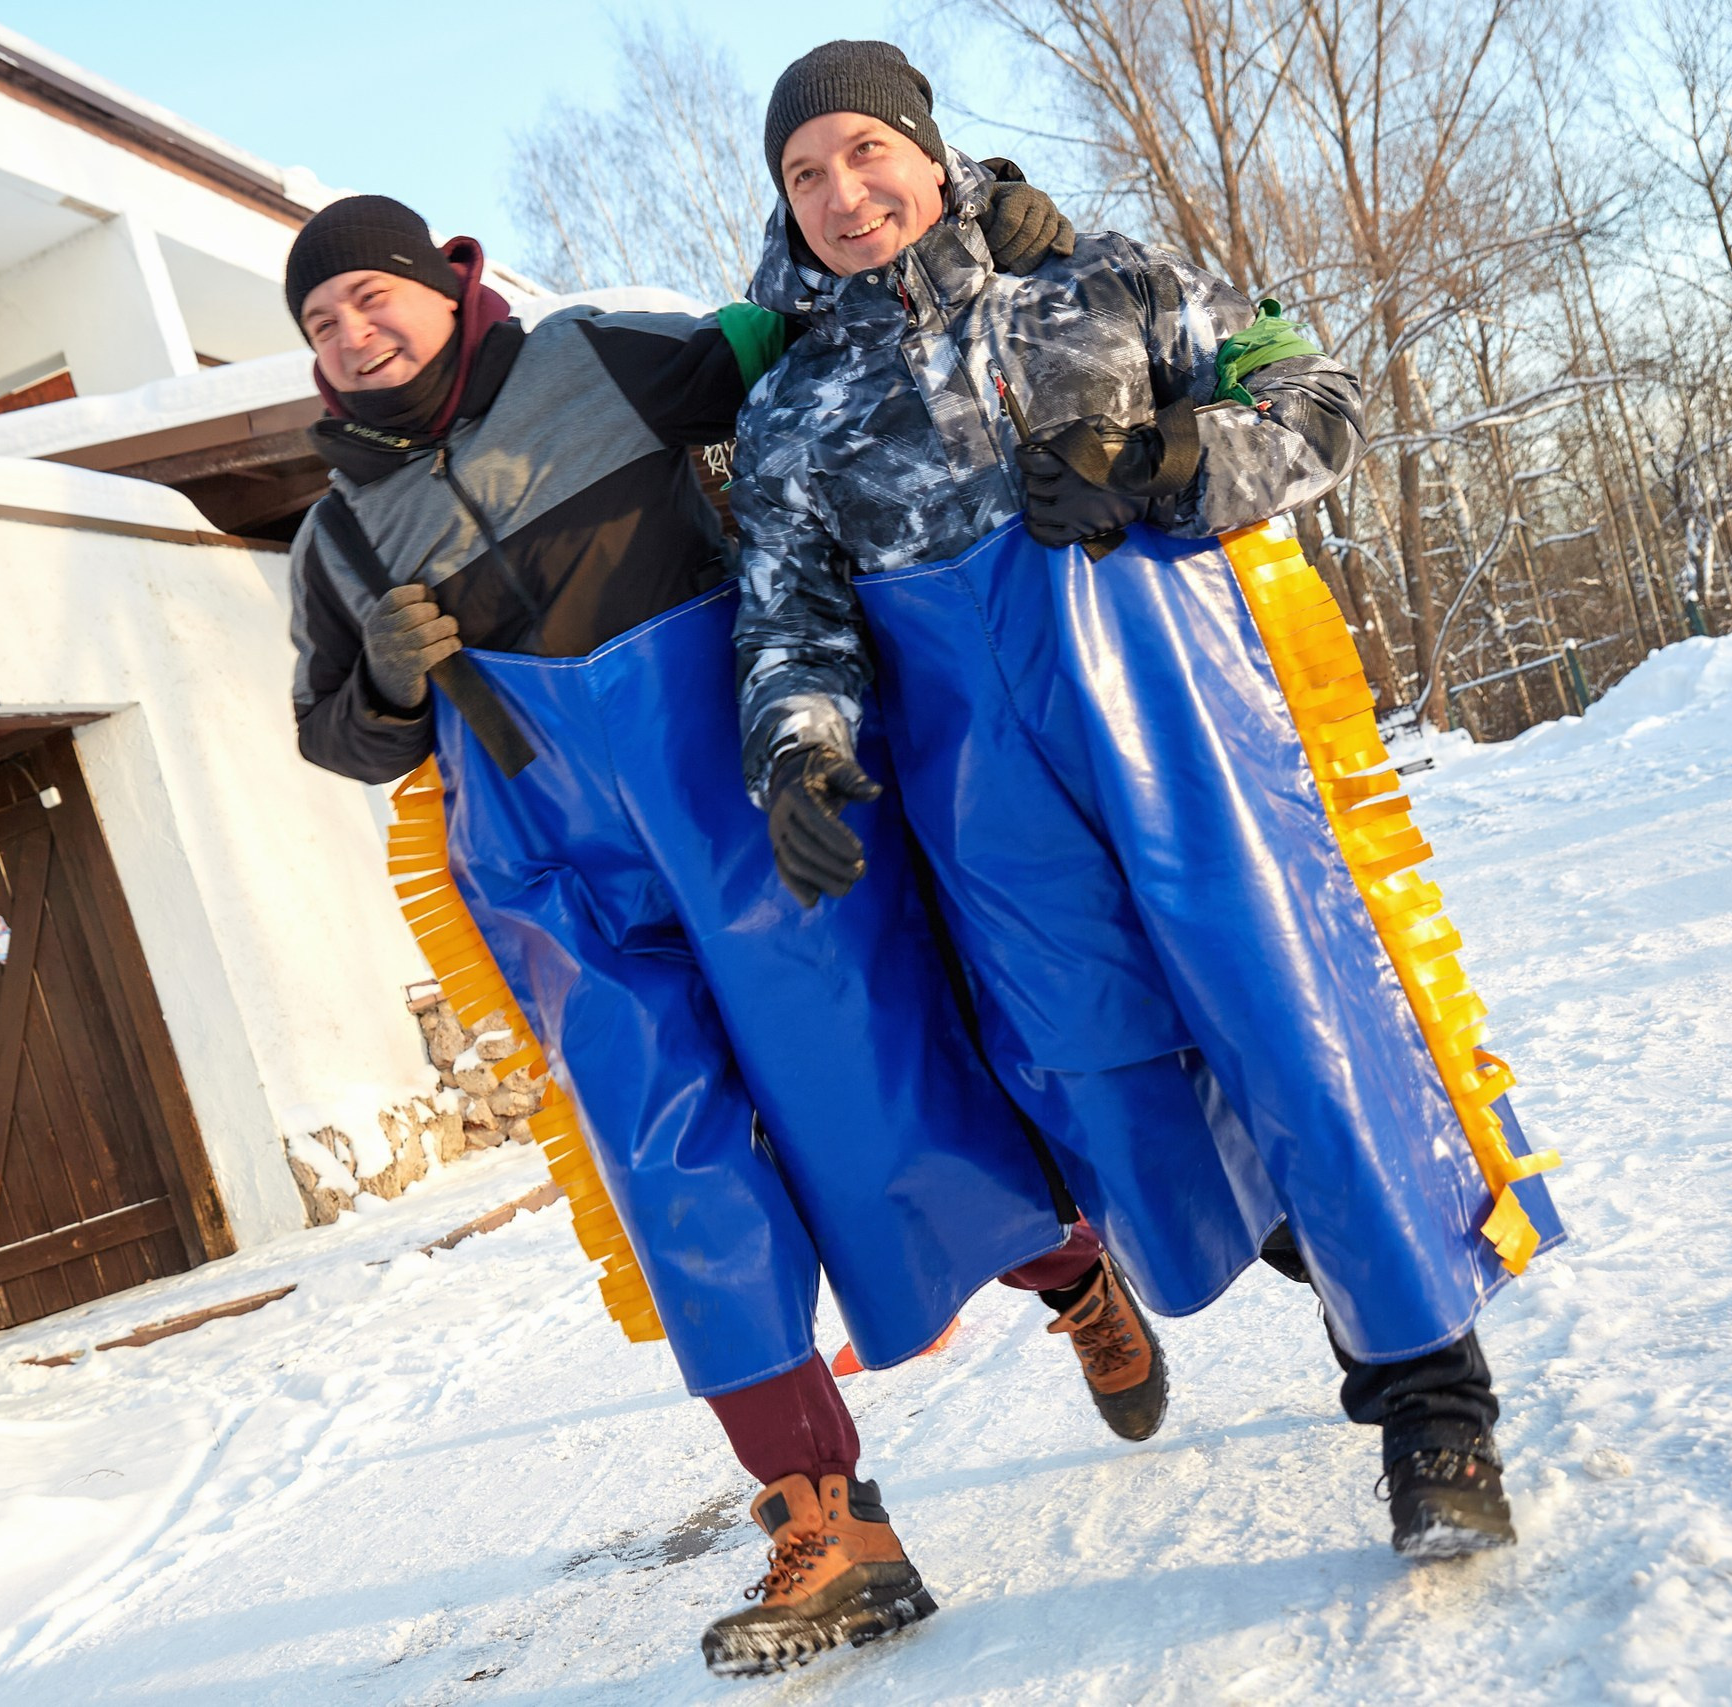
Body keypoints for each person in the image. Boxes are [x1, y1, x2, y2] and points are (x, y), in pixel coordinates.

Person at [278, 190, 1166, 1678]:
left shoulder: (596, 362)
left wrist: (991, 240)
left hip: (742, 808)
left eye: (374, 297)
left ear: (445, 283)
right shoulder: (335, 539)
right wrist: (378, 677)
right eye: (322, 322)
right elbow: (341, 738)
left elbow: (815, 330)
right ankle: (827, 1520)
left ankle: (1070, 1274)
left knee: (874, 1101)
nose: (355, 334)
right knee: (672, 1168)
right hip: (557, 874)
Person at [730, 40, 1567, 1573]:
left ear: (929, 154)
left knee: (1295, 1042)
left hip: (1184, 735)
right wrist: (798, 749)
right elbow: (790, 617)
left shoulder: (1102, 284)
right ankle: (1334, 1275)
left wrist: (1172, 458)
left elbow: (1315, 402)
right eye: (806, 173)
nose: (843, 193)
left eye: (865, 151)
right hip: (992, 805)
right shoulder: (792, 408)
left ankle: (1431, 1405)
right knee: (1126, 1102)